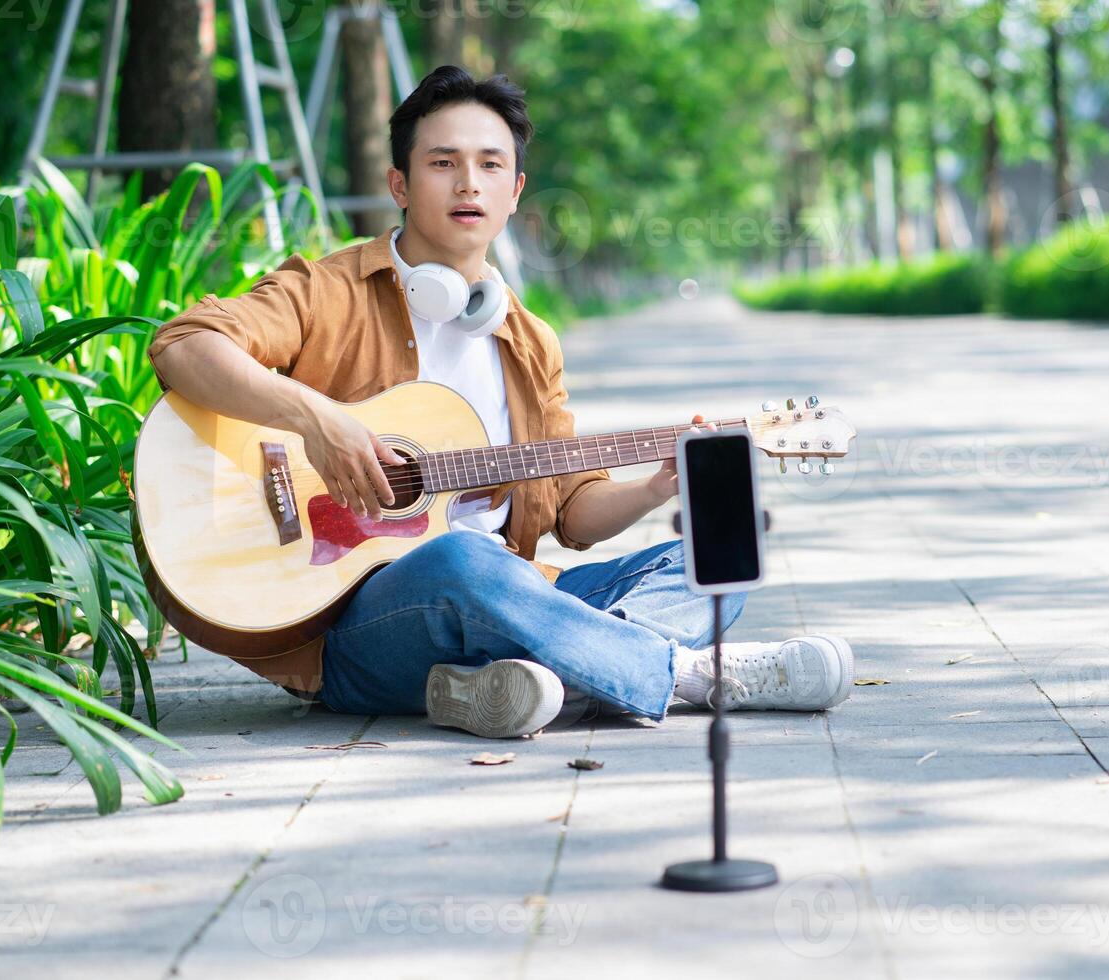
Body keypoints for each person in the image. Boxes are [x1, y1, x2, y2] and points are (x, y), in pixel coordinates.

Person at [146, 65, 855, 739]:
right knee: (463, 562)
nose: (468, 184)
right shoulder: (328, 291)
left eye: (490, 165)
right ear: (399, 181)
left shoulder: (527, 339)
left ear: (515, 191)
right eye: (442, 162)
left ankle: (503, 683)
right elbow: (184, 346)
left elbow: (574, 514)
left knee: (715, 560)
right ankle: (690, 676)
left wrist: (654, 485)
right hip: (356, 628)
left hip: (510, 600)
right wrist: (318, 420)